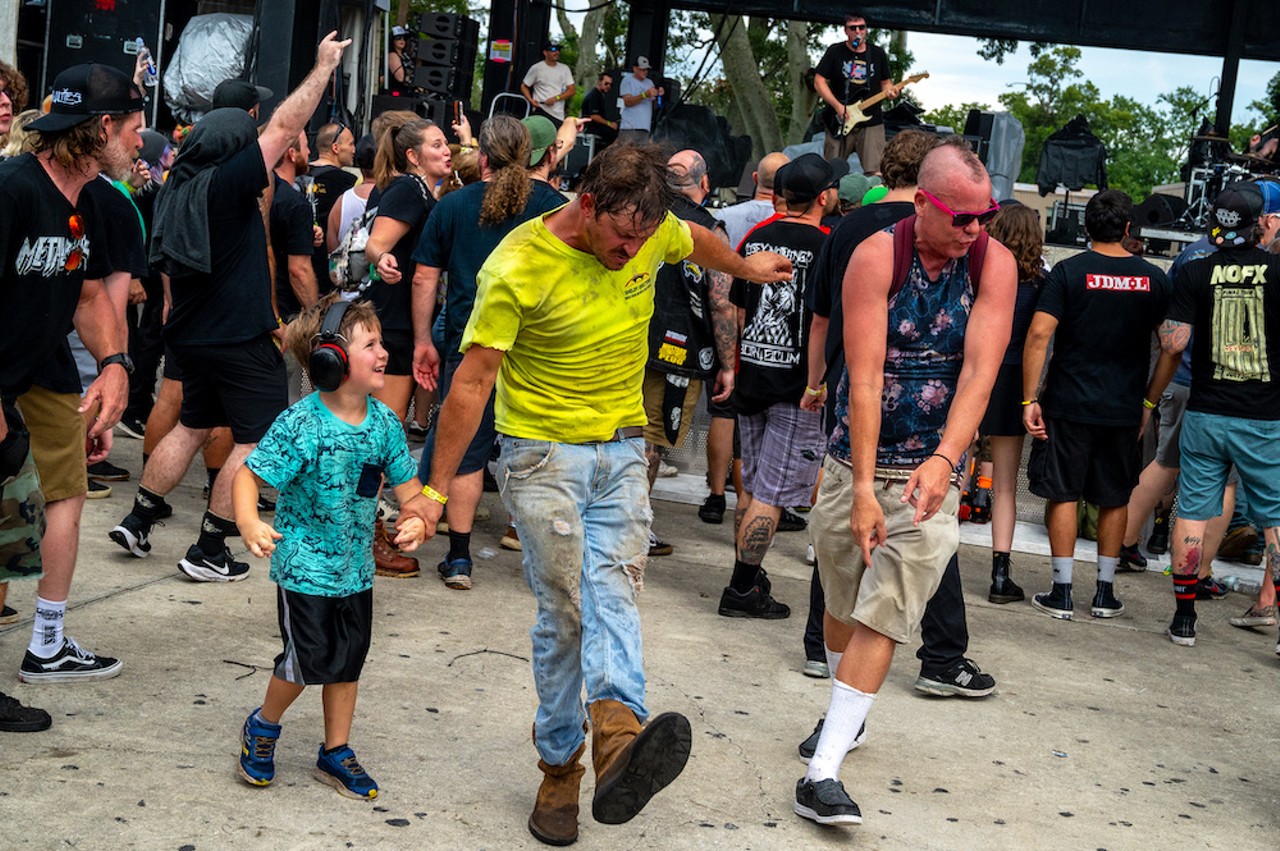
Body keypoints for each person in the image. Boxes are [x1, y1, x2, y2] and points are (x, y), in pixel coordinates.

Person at [413, 143, 792, 845]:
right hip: (540, 453)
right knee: (568, 610)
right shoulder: (519, 265)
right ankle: (560, 766)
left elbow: (694, 238)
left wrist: (743, 265)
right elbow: (471, 383)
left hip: (621, 445)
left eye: (643, 242)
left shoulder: (653, 231)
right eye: (621, 239)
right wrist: (433, 491)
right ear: (586, 205)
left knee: (612, 587)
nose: (631, 253)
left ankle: (619, 736)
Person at [796, 139, 1015, 826]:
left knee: (885, 609)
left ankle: (822, 769)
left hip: (931, 471)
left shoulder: (992, 263)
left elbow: (980, 373)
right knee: (840, 597)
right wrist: (862, 487)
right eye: (962, 217)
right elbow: (861, 378)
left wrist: (948, 459)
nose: (975, 229)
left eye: (986, 216)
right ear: (922, 202)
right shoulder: (875, 256)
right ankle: (845, 716)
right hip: (853, 459)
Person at [110, 33, 352, 582]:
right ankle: (210, 549)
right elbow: (286, 128)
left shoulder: (176, 186)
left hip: (190, 335)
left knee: (193, 425)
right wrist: (322, 66)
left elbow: (169, 269)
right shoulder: (226, 183)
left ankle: (139, 518)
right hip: (239, 339)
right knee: (257, 440)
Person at [233, 295, 428, 799]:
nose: (384, 352)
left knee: (348, 661)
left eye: (382, 341)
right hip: (303, 568)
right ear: (331, 359)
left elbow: (409, 491)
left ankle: (334, 751)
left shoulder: (385, 423)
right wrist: (250, 522)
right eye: (370, 344)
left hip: (354, 570)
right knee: (304, 662)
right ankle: (264, 726)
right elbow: (248, 478)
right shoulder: (302, 424)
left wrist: (416, 519)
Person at [0, 61, 146, 730]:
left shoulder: (84, 201)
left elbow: (86, 293)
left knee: (22, 524)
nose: (143, 143)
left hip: (31, 380)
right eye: (137, 129)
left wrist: (114, 363)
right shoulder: (12, 189)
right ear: (104, 128)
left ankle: (46, 644)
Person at [409, 115, 567, 589]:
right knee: (544, 454)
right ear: (534, 157)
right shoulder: (556, 206)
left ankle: (459, 559)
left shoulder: (453, 204)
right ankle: (547, 563)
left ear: (482, 158)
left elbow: (424, 278)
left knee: (468, 454)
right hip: (538, 353)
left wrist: (423, 341)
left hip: (471, 345)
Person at [1022, 190, 1171, 621]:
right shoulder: (1154, 279)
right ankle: (1104, 594)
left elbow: (1038, 336)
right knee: (1113, 497)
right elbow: (1172, 347)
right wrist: (1149, 400)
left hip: (1067, 403)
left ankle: (1062, 592)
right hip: (1123, 407)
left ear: (1086, 228)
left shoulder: (1068, 272)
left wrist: (1030, 398)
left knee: (1063, 493)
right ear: (1129, 229)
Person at [1144, 181, 1280, 647]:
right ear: (1260, 223)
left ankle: (1184, 619)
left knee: (1193, 513)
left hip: (1206, 411)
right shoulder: (1277, 271)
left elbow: (1172, 342)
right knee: (1275, 518)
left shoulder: (1196, 272)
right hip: (1265, 416)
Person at [719, 153, 838, 618]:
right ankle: (742, 587)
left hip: (754, 377)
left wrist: (734, 364)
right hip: (798, 390)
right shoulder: (829, 244)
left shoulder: (754, 237)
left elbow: (738, 310)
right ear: (824, 197)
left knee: (752, 485)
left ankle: (749, 573)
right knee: (770, 494)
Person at [643, 149, 736, 556]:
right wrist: (729, 363)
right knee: (649, 440)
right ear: (704, 183)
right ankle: (633, 525)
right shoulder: (709, 228)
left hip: (628, 341)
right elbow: (721, 302)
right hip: (676, 353)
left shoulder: (643, 215)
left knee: (622, 434)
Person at [699, 151, 789, 525]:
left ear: (755, 177)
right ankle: (755, 501)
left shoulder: (725, 219)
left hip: (723, 326)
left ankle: (717, 496)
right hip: (769, 335)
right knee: (760, 421)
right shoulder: (788, 223)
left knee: (723, 410)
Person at [979, 202, 1043, 604]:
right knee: (1004, 486)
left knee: (949, 470)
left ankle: (936, 559)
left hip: (970, 372)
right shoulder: (1042, 283)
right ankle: (1000, 574)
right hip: (1014, 379)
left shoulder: (977, 271)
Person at [813, 11, 898, 173]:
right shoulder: (835, 51)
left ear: (866, 30)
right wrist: (838, 106)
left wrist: (890, 92)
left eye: (861, 27)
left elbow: (886, 82)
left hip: (871, 120)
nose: (857, 31)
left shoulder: (877, 53)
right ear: (846, 31)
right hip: (840, 119)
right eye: (853, 28)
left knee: (875, 171)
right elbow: (819, 81)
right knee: (831, 171)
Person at [271, 131, 321, 402]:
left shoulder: (264, 195)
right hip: (287, 320)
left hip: (258, 313)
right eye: (304, 147)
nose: (310, 153)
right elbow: (298, 270)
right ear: (291, 154)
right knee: (290, 402)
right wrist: (314, 317)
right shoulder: (294, 203)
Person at [307, 121, 358, 290]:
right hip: (329, 270)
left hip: (298, 262)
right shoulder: (347, 182)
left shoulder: (300, 175)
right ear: (336, 148)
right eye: (350, 144)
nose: (354, 150)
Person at [521, 41, 576, 128]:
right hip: (540, 109)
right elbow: (524, 86)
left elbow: (572, 90)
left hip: (558, 114)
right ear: (545, 53)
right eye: (553, 49)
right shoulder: (537, 68)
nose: (557, 52)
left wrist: (556, 98)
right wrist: (531, 100)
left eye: (558, 49)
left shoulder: (564, 69)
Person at [618, 57, 663, 146]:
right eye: (642, 69)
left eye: (646, 69)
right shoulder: (628, 80)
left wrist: (658, 95)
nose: (645, 72)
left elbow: (654, 107)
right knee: (625, 156)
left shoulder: (650, 83)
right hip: (629, 128)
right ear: (635, 68)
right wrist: (644, 95)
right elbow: (627, 102)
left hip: (644, 128)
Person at [581, 72, 619, 148]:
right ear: (599, 82)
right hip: (592, 128)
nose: (608, 86)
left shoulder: (600, 95)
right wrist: (609, 123)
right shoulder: (594, 95)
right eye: (606, 83)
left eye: (610, 85)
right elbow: (594, 116)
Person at [386, 26, 413, 90]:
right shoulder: (392, 55)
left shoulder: (406, 55)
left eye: (404, 38)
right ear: (392, 40)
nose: (402, 40)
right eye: (398, 38)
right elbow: (400, 77)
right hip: (396, 91)